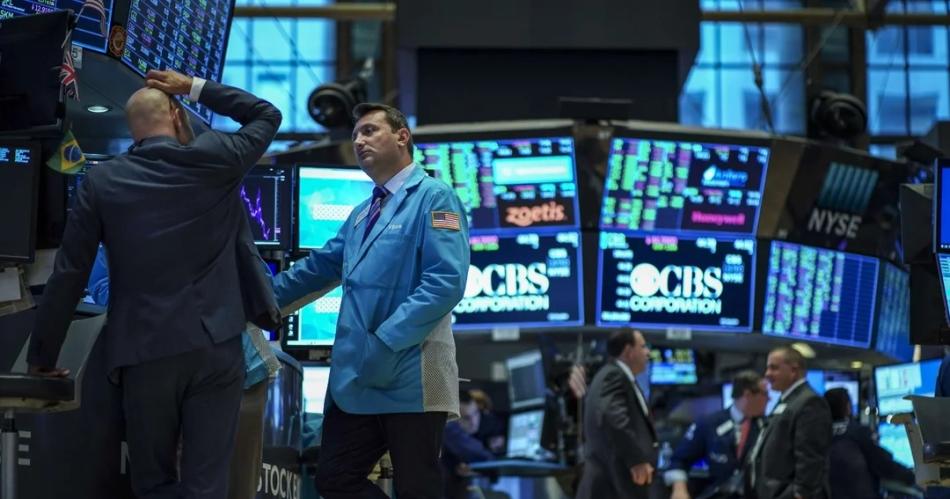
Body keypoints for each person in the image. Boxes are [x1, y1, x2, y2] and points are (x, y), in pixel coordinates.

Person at [27, 69, 282, 498]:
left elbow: (69, 274)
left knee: (153, 484)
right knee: (206, 485)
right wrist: (191, 86)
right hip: (215, 344)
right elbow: (266, 114)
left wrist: (42, 357)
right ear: (178, 117)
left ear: (133, 130)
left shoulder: (102, 181)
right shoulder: (217, 158)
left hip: (144, 351)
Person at [269, 103, 470, 499]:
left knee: (417, 490)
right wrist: (254, 299)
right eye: (355, 135)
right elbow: (318, 268)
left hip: (411, 373)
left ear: (402, 136)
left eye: (370, 131)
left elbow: (445, 282)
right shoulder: (363, 213)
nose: (359, 141)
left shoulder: (435, 197)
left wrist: (386, 342)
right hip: (360, 378)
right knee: (334, 478)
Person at [84, 242, 280, 499]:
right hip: (164, 367)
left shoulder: (220, 218)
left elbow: (261, 282)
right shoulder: (114, 227)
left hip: (241, 369)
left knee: (234, 488)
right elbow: (103, 290)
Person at [576, 329, 657, 499]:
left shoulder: (616, 376)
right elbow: (613, 417)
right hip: (613, 484)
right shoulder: (613, 375)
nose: (648, 353)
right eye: (643, 347)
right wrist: (636, 460)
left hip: (616, 482)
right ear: (628, 351)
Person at [666, 370, 769, 499]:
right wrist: (679, 489)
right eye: (765, 394)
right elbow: (678, 460)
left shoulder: (767, 426)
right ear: (747, 395)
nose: (769, 399)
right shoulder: (709, 423)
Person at [750, 346, 832, 499]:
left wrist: (800, 494)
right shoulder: (788, 400)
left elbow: (810, 459)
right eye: (767, 368)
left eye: (774, 368)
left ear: (793, 370)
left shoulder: (810, 402)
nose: (767, 374)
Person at [824, 388, 915, 499]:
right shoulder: (858, 433)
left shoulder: (819, 437)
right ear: (848, 408)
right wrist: (912, 477)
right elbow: (884, 465)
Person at [442, 390, 497, 499]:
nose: (473, 422)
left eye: (476, 413)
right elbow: (483, 457)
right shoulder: (449, 429)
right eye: (467, 418)